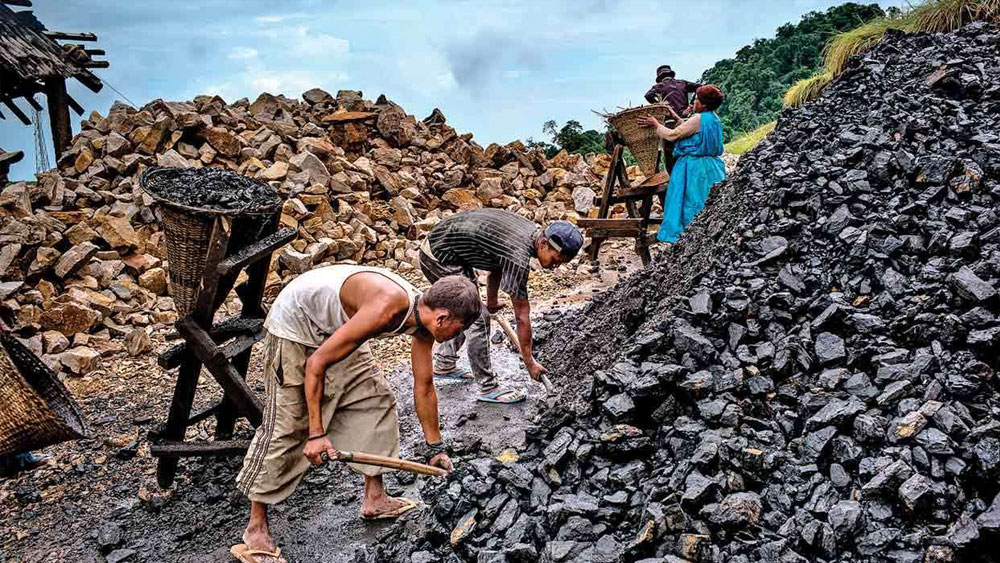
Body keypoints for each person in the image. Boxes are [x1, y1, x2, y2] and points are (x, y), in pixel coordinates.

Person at [232, 265, 482, 563]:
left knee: (375, 399)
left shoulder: (423, 321)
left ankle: (375, 498)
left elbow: (424, 386)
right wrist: (316, 434)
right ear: (442, 318)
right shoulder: (386, 307)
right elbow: (316, 365)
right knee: (288, 426)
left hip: (339, 326)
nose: (459, 335)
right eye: (460, 328)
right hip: (297, 328)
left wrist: (435, 448)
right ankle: (256, 529)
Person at [419, 210, 583, 404]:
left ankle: (445, 364)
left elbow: (496, 263)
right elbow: (522, 315)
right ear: (544, 243)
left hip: (453, 253)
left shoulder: (531, 234)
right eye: (555, 260)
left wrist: (492, 301)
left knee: (471, 308)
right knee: (475, 317)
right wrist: (529, 362)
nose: (554, 267)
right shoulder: (518, 255)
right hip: (438, 255)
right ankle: (488, 387)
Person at [639, 84, 726, 244]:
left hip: (693, 168)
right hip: (712, 168)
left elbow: (673, 135)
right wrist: (673, 113)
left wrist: (656, 125)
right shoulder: (714, 118)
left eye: (696, 101)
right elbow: (688, 127)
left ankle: (691, 239)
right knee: (709, 202)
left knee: (691, 202)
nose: (693, 103)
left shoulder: (698, 119)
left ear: (704, 104)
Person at [644, 65, 703, 175]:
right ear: (671, 74)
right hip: (686, 120)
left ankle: (674, 177)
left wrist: (660, 106)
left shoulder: (659, 86)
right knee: (689, 147)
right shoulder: (682, 83)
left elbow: (648, 95)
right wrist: (690, 106)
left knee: (669, 152)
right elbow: (700, 88)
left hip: (670, 123)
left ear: (660, 77)